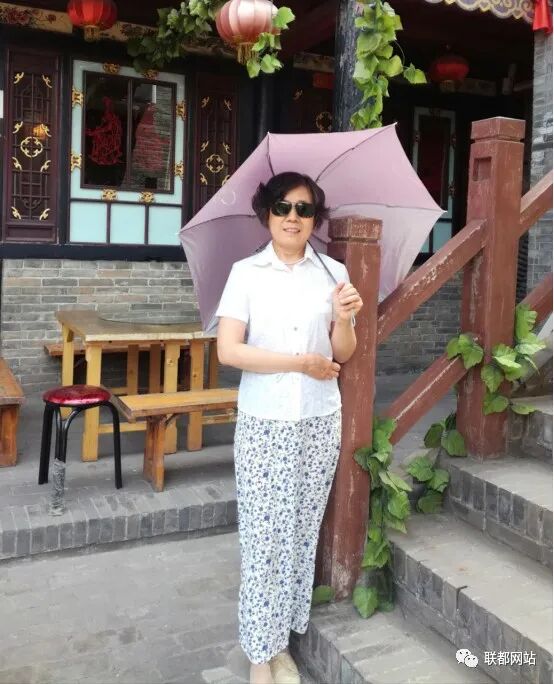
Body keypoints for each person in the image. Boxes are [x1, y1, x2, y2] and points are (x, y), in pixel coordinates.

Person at [216, 172, 363, 684]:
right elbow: (229, 350)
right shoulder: (246, 273)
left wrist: (345, 317)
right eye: (282, 207)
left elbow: (343, 352)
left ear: (315, 218)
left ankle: (279, 642)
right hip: (265, 422)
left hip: (319, 420)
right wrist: (300, 363)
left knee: (300, 532)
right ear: (267, 214)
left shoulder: (333, 272)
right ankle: (260, 655)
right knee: (263, 539)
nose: (293, 217)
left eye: (304, 208)